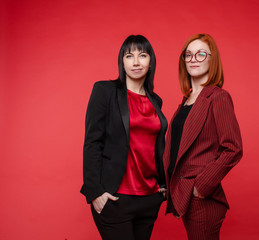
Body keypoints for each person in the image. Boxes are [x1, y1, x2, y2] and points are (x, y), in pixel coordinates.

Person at [80, 35, 168, 240]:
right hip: (115, 198)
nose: (136, 62)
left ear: (151, 62)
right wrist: (95, 192)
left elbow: (155, 146)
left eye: (142, 55)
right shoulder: (105, 91)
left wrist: (162, 186)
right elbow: (92, 142)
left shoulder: (156, 101)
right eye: (129, 56)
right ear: (122, 61)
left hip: (149, 199)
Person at [163, 33, 243, 240]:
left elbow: (233, 148)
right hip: (183, 194)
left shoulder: (218, 97)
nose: (193, 59)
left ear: (211, 59)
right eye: (188, 55)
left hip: (201, 198)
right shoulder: (188, 100)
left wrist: (201, 187)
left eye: (200, 54)